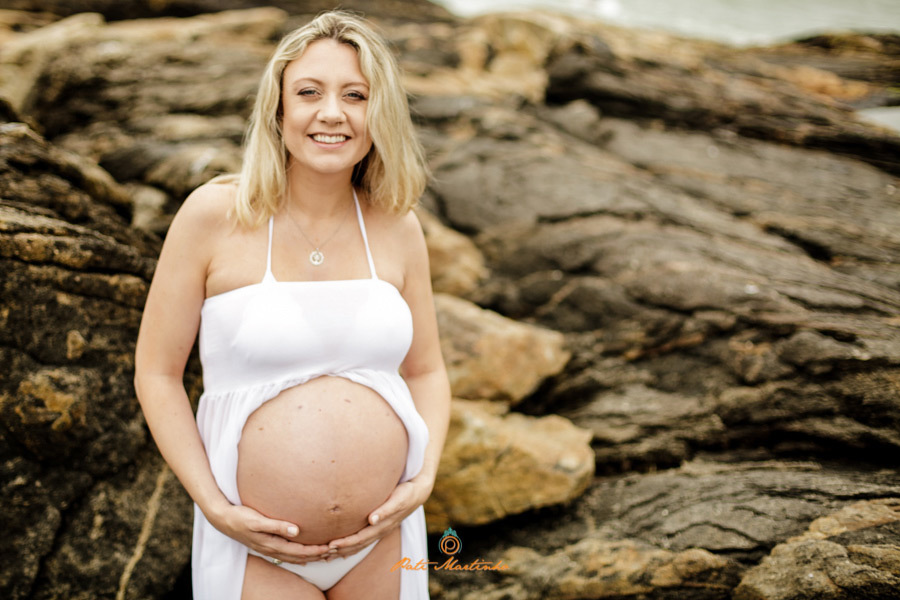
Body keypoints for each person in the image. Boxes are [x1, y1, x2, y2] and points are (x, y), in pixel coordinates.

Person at [133, 11, 450, 600]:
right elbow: (156, 374)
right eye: (309, 92)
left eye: (356, 95)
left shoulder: (397, 225)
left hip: (384, 540)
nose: (333, 113)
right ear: (278, 111)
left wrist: (424, 478)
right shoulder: (214, 214)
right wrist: (215, 507)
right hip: (252, 547)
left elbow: (427, 371)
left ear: (378, 116)